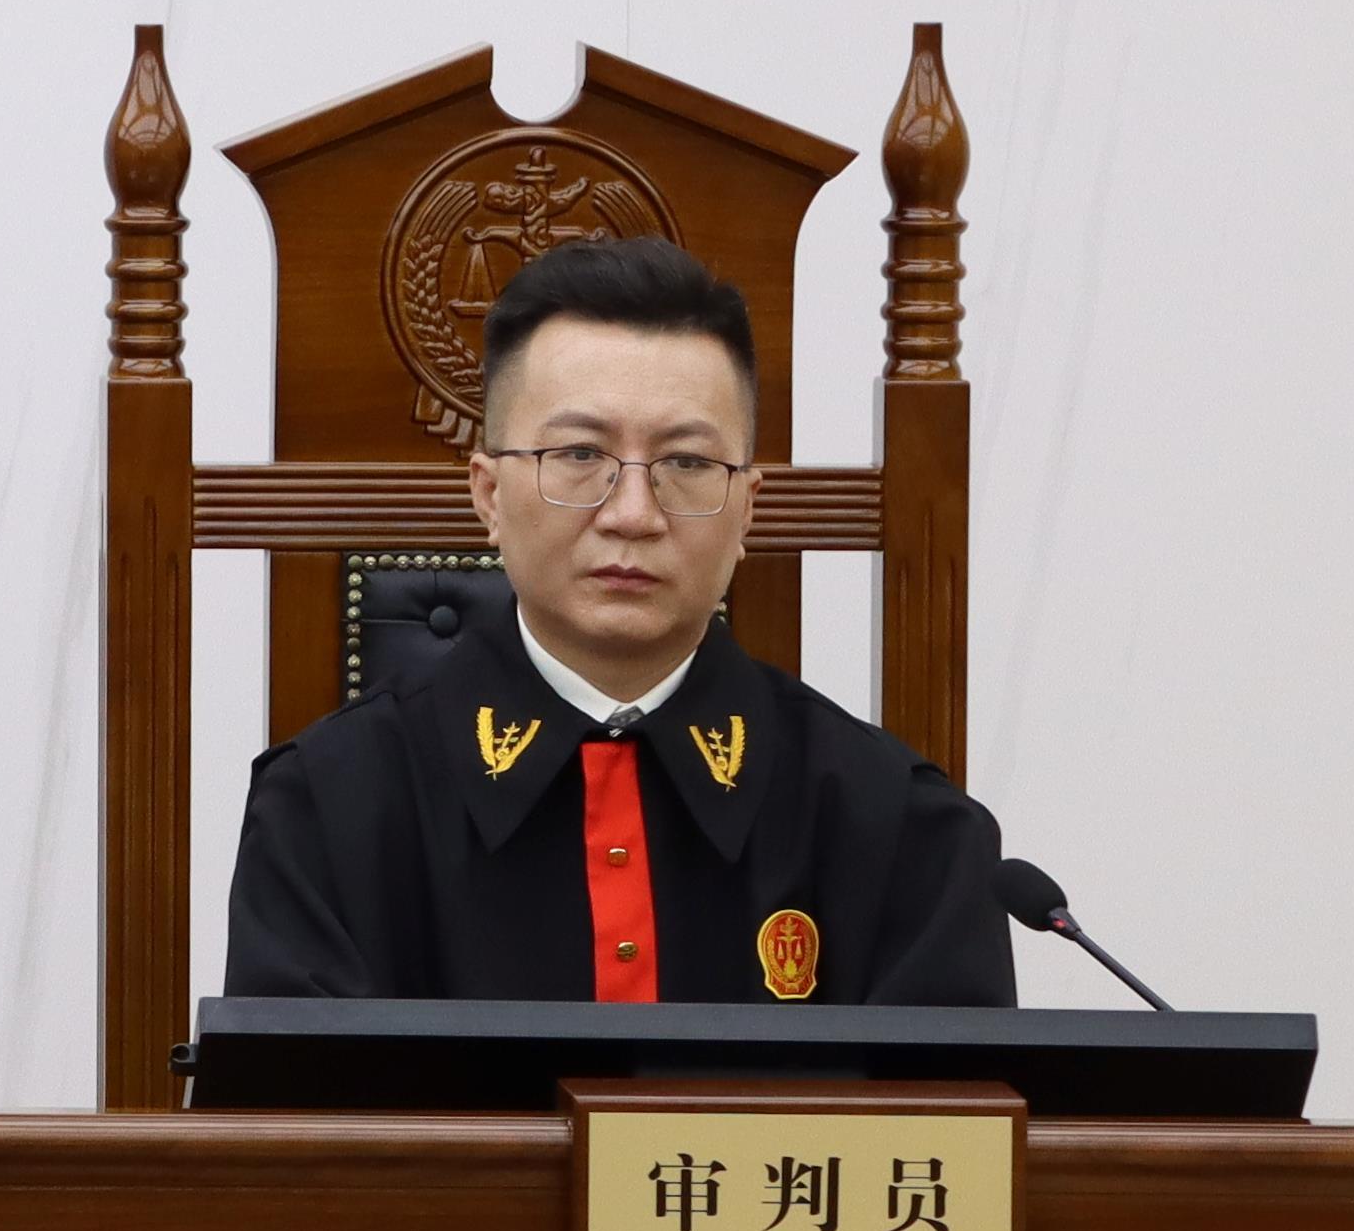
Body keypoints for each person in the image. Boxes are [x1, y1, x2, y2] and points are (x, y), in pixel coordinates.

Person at [224, 234, 1013, 1004]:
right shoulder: (324, 811)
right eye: (580, 455)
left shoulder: (906, 830)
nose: (632, 514)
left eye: (687, 463)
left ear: (747, 509)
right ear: (489, 495)